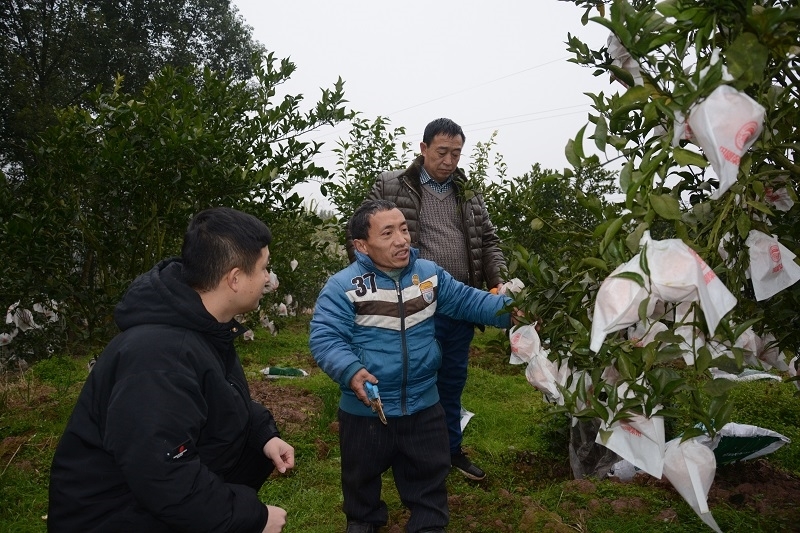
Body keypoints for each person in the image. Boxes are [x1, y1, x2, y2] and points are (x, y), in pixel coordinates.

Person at [48, 207, 295, 533]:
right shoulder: (159, 357)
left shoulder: (205, 327)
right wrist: (253, 517)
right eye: (263, 268)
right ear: (234, 279)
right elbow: (162, 473)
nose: (267, 278)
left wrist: (262, 435)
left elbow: (216, 398)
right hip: (118, 518)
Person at [311, 200, 513, 533]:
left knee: (429, 493)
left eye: (403, 229)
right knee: (361, 497)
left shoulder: (429, 275)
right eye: (387, 233)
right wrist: (350, 370)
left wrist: (515, 308)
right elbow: (325, 338)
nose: (401, 240)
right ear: (361, 245)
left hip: (423, 405)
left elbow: (470, 302)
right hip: (367, 412)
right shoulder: (344, 287)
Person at [361, 118, 506, 481]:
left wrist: (499, 283)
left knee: (452, 379)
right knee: (409, 377)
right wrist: (377, 289)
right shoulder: (392, 185)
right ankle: (401, 454)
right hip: (411, 302)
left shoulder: (468, 192)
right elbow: (362, 234)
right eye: (442, 152)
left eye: (456, 153)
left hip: (460, 301)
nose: (449, 160)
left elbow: (488, 241)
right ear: (423, 148)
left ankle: (450, 451)